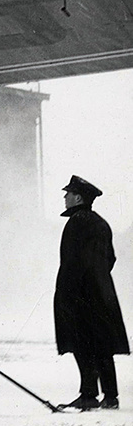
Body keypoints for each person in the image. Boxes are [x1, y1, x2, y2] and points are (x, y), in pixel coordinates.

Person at [53, 175, 128, 410]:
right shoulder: (101, 223)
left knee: (82, 343)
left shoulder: (76, 222)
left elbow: (72, 262)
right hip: (102, 292)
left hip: (79, 294)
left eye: (68, 194)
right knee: (102, 344)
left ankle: (88, 394)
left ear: (77, 197)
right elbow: (110, 258)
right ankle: (110, 396)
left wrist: (67, 293)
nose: (65, 197)